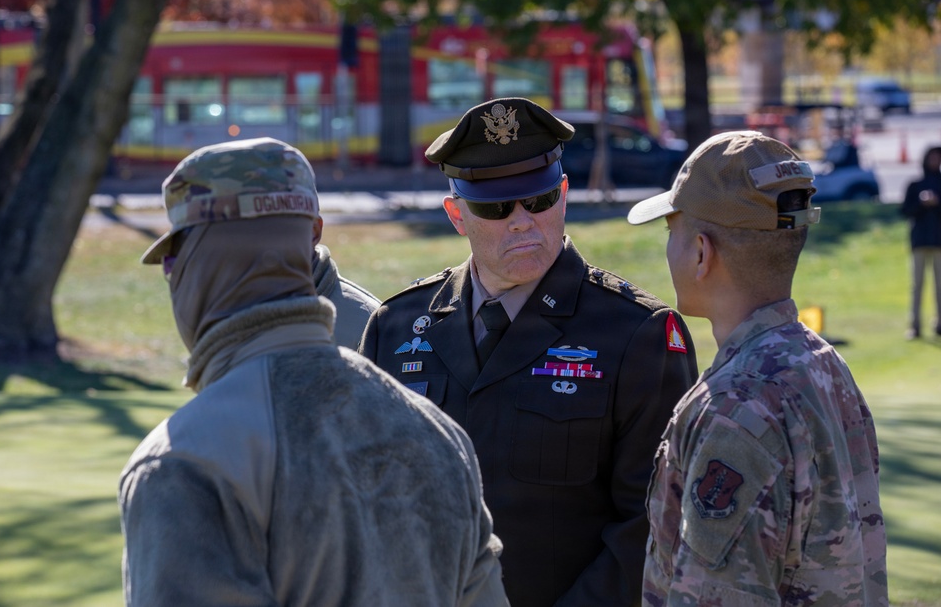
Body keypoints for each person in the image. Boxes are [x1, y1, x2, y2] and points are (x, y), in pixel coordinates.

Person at [119, 137, 508, 607]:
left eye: (171, 262)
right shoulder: (439, 436)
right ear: (310, 238)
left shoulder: (184, 461)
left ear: (194, 267)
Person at [358, 97, 699, 607]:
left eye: (537, 200)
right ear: (456, 214)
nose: (522, 221)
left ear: (562, 195)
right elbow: (365, 501)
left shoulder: (636, 334)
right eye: (495, 208)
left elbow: (652, 526)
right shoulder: (396, 327)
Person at [627, 130, 888, 605]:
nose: (670, 249)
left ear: (702, 253)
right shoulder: (824, 365)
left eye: (672, 232)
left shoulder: (736, 406)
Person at [900, 145, 941, 339]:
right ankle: (915, 325)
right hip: (919, 241)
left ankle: (939, 323)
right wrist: (921, 203)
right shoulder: (915, 185)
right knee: (917, 285)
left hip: (939, 242)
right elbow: (905, 211)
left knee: (939, 285)